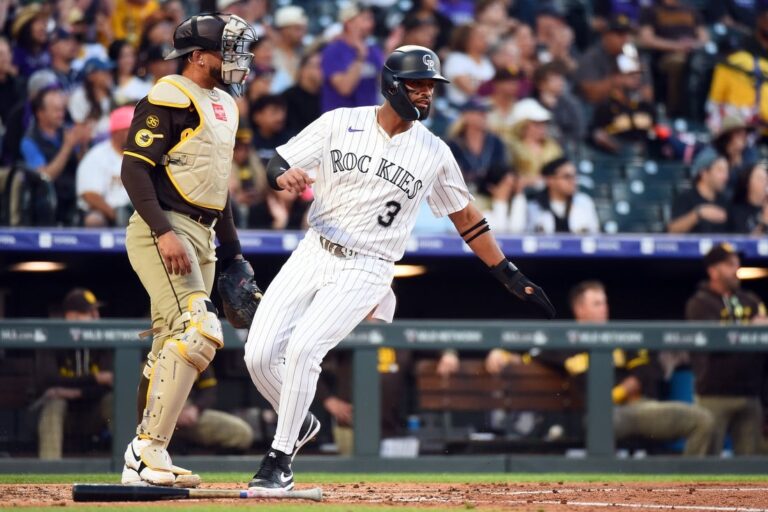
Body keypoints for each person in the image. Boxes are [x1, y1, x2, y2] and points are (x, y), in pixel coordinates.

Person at [243, 45, 555, 492]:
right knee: (258, 354)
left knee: (306, 349)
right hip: (315, 249)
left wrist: (508, 272)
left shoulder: (434, 151)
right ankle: (301, 422)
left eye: (431, 86)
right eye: (418, 85)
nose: (426, 94)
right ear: (392, 85)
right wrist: (280, 177)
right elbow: (279, 160)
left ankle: (279, 459)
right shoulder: (339, 122)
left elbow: (467, 218)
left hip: (370, 265)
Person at [118, 13, 258, 487]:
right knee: (200, 331)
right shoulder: (167, 95)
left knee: (169, 346)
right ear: (198, 57)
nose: (236, 59)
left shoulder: (226, 104)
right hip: (166, 229)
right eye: (228, 50)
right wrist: (162, 231)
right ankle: (146, 451)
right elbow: (134, 171)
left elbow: (219, 189)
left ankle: (147, 457)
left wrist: (234, 254)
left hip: (204, 233)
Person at [554, 281, 714, 455]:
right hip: (595, 414)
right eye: (597, 304)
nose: (604, 308)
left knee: (702, 420)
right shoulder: (564, 343)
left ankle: (688, 481)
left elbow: (645, 371)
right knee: (602, 420)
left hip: (637, 406)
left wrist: (617, 393)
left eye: (605, 303)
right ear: (580, 309)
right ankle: (604, 480)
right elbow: (530, 352)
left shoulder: (621, 338)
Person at [685, 243, 768, 455]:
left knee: (752, 471)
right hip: (714, 394)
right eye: (729, 264)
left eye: (737, 263)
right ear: (713, 271)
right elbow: (715, 346)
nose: (736, 268)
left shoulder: (752, 301)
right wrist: (750, 329)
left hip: (750, 395)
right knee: (705, 464)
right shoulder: (700, 304)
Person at [35, 288, 113, 460]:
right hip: (58, 417)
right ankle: (49, 475)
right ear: (71, 316)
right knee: (55, 402)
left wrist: (77, 391)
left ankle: (128, 466)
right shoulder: (51, 337)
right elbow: (46, 381)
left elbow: (112, 382)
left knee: (113, 401)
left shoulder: (104, 338)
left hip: (92, 414)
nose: (96, 316)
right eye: (89, 312)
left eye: (96, 310)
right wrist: (94, 379)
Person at [76, 105, 134, 227]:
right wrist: (115, 216)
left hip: (135, 213)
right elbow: (89, 195)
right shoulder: (96, 156)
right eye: (130, 129)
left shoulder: (142, 156)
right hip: (108, 214)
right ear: (117, 132)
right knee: (94, 220)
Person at [320, 3, 383, 113]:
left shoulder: (373, 49)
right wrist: (360, 58)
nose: (371, 24)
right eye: (365, 19)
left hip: (369, 118)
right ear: (349, 23)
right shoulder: (333, 50)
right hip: (340, 120)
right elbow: (344, 88)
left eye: (371, 19)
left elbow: (385, 82)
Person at [526, 157, 600, 234]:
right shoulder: (533, 207)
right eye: (567, 177)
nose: (573, 181)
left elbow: (594, 236)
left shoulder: (584, 202)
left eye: (574, 176)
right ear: (550, 180)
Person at [667, 149, 729, 233]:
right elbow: (672, 230)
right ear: (704, 173)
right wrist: (698, 214)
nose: (725, 177)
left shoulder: (724, 201)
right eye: (720, 170)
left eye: (726, 172)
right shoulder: (685, 198)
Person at [728, 163, 768, 235]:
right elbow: (745, 243)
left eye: (766, 179)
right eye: (760, 179)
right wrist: (764, 223)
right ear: (748, 182)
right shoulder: (737, 212)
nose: (765, 183)